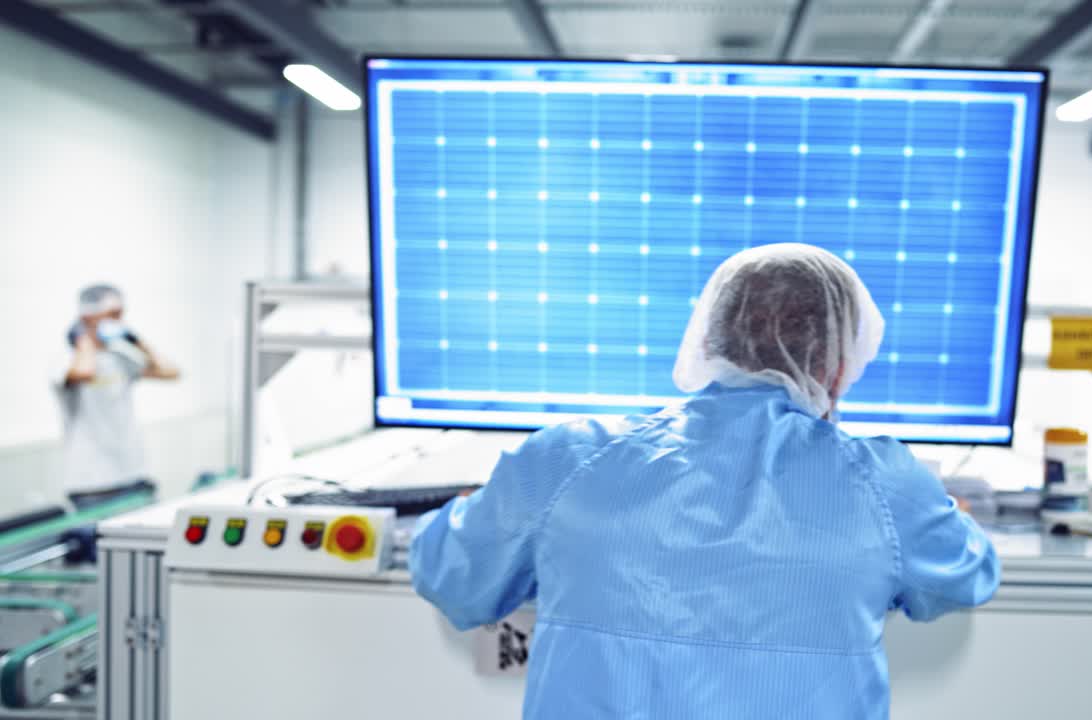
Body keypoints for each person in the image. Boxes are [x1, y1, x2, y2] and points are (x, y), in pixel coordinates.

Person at [409, 243, 999, 719]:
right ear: (839, 365)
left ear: (711, 340)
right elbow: (965, 578)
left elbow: (452, 577)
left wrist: (474, 511)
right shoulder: (886, 487)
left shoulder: (567, 459)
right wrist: (946, 510)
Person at [51, 284, 179, 509]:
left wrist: (136, 341)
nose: (119, 320)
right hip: (91, 483)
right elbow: (84, 372)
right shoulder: (64, 358)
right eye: (112, 315)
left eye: (121, 315)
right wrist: (84, 338)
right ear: (87, 316)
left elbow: (170, 371)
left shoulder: (119, 356)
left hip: (134, 474)